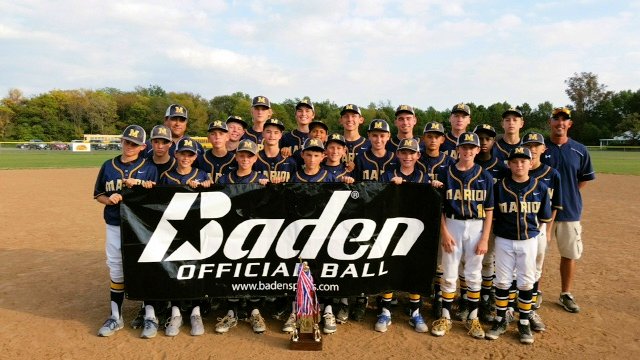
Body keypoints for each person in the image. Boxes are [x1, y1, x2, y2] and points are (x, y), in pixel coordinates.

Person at [94, 125, 158, 337]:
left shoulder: (149, 167)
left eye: (134, 144)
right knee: (116, 267)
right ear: (121, 142)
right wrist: (108, 199)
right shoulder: (108, 166)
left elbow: (156, 199)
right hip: (114, 223)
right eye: (126, 142)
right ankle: (115, 316)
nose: (129, 146)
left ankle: (150, 316)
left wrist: (144, 185)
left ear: (142, 147)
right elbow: (98, 194)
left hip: (140, 227)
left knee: (145, 266)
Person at [485, 146, 552, 344]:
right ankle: (500, 318)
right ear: (509, 164)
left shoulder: (540, 187)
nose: (519, 164)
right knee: (503, 282)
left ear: (531, 163)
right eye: (515, 161)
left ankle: (523, 321)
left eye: (524, 161)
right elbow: (493, 216)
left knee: (526, 281)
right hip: (504, 240)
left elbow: (544, 218)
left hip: (529, 240)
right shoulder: (500, 187)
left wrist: (531, 233)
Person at [431, 132, 493, 340]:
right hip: (452, 223)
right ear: (458, 149)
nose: (467, 151)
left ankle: (473, 318)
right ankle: (446, 317)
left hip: (476, 225)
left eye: (471, 147)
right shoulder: (445, 173)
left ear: (477, 150)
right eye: (463, 147)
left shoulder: (485, 176)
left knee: (474, 273)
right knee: (449, 273)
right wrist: (444, 232)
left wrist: (485, 238)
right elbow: (438, 206)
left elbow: (490, 209)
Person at [540, 107, 595, 313]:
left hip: (570, 210)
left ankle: (565, 293)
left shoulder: (580, 150)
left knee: (569, 253)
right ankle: (534, 292)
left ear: (569, 124)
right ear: (550, 122)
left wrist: (566, 195)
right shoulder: (541, 147)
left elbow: (582, 180)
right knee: (538, 254)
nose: (560, 123)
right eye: (556, 119)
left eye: (564, 120)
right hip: (541, 212)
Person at [215, 139, 269, 334]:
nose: (245, 159)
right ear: (236, 156)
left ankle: (254, 310)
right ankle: (232, 311)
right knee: (231, 271)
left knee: (253, 271)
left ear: (256, 158)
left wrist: (269, 186)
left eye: (250, 155)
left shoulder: (262, 178)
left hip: (253, 235)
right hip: (229, 234)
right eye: (242, 155)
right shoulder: (224, 179)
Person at [377, 138, 430, 333]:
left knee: (414, 269)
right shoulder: (388, 175)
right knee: (389, 267)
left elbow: (429, 204)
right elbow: (379, 201)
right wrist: (391, 187)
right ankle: (385, 311)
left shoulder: (424, 178)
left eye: (411, 153)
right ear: (398, 154)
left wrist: (435, 189)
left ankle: (415, 312)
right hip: (392, 230)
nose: (407, 156)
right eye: (404, 152)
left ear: (418, 155)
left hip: (416, 231)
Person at [159, 138, 212, 337]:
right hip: (172, 231)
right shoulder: (166, 177)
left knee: (196, 267)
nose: (186, 158)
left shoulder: (203, 175)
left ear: (195, 157)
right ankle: (175, 311)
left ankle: (195, 311)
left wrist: (207, 185)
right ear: (176, 154)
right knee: (174, 267)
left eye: (190, 154)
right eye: (183, 154)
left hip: (196, 229)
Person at [521, 132, 563, 331]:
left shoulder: (552, 174)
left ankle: (529, 307)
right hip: (519, 227)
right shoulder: (517, 170)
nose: (532, 148)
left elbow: (554, 205)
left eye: (536, 145)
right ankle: (514, 306)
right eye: (528, 144)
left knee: (536, 267)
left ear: (543, 149)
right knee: (516, 268)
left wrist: (547, 228)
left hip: (540, 225)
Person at [418, 121, 456, 319]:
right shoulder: (416, 158)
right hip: (418, 213)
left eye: (436, 136)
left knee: (441, 259)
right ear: (424, 138)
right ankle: (416, 294)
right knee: (420, 255)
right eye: (429, 136)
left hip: (441, 212)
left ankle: (438, 296)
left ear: (443, 139)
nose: (433, 140)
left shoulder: (449, 162)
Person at [473, 123, 508, 323]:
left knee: (487, 261)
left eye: (488, 138)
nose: (484, 142)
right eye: (480, 138)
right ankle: (469, 297)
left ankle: (485, 299)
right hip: (470, 220)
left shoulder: (502, 167)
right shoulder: (468, 163)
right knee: (467, 263)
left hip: (492, 221)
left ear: (493, 141)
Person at [254, 118, 296, 183]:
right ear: (263, 133)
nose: (272, 135)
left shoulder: (290, 161)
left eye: (276, 132)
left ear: (280, 135)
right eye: (268, 132)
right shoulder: (254, 159)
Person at [339, 104, 370, 171]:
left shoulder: (370, 145)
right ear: (341, 120)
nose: (350, 119)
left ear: (361, 120)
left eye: (354, 116)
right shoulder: (334, 143)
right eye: (346, 116)